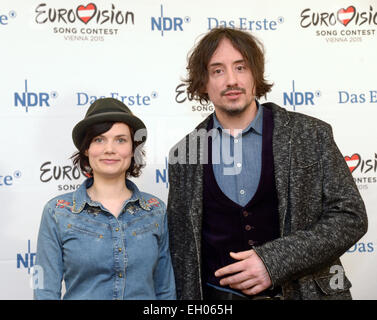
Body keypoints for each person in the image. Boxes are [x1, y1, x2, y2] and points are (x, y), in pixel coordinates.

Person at [167, 27, 368, 300]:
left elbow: (350, 217)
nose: (231, 80)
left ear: (255, 74)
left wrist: (273, 261)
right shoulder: (185, 154)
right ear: (203, 83)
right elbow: (183, 254)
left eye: (241, 67)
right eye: (217, 70)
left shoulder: (310, 134)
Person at [34, 97, 176, 300]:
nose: (110, 149)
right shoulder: (57, 212)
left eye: (120, 140)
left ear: (132, 148)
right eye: (99, 139)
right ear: (86, 149)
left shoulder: (155, 210)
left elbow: (165, 290)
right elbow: (45, 292)